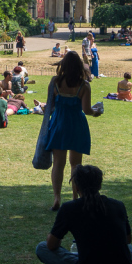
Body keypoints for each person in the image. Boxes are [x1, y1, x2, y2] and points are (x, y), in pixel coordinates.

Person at [35, 165, 132, 264]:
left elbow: (51, 245)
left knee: (41, 248)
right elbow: (127, 240)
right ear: (99, 185)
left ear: (76, 187)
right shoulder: (117, 205)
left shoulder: (69, 208)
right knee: (128, 248)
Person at [37, 51, 98, 209]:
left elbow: (50, 106)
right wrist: (96, 112)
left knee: (58, 163)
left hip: (59, 124)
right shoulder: (84, 85)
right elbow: (86, 110)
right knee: (76, 165)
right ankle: (75, 197)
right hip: (77, 125)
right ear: (79, 66)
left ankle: (57, 197)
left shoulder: (55, 82)